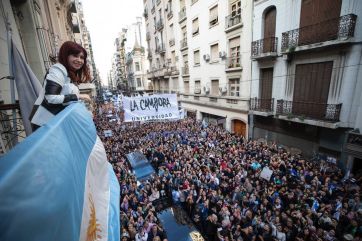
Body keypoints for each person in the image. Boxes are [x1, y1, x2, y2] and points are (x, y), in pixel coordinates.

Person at [30, 41, 91, 131]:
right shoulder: (57, 70)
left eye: (82, 57)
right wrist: (79, 96)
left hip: (56, 123)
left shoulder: (68, 73)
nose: (79, 60)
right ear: (66, 55)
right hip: (45, 124)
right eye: (75, 55)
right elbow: (50, 98)